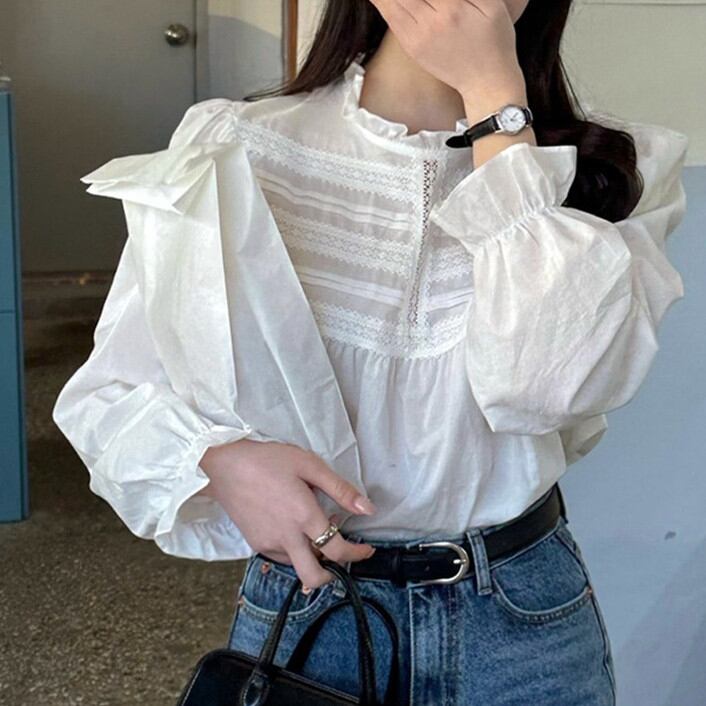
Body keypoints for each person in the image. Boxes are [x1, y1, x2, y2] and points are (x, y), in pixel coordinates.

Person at [53, 1, 689, 704]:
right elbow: (107, 397)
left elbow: (543, 389)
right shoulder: (234, 147)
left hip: (521, 621)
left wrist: (497, 105)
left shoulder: (617, 169)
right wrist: (217, 458)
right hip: (309, 612)